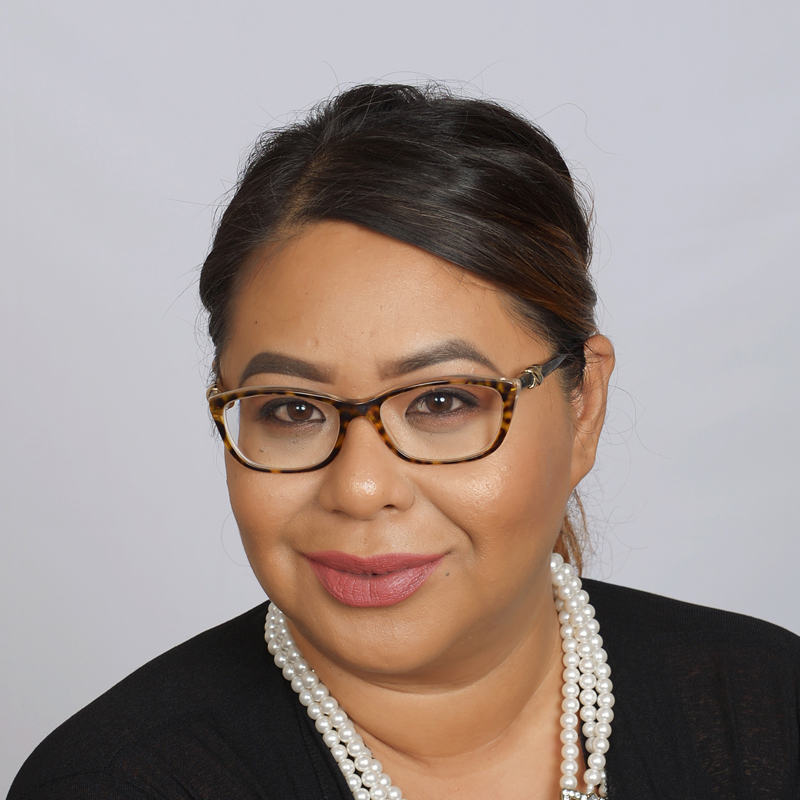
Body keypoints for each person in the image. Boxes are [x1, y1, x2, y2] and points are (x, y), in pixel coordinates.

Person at [8, 83, 799, 800]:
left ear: (582, 403)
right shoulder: (114, 782)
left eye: (443, 400)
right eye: (290, 408)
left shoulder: (768, 711)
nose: (358, 487)